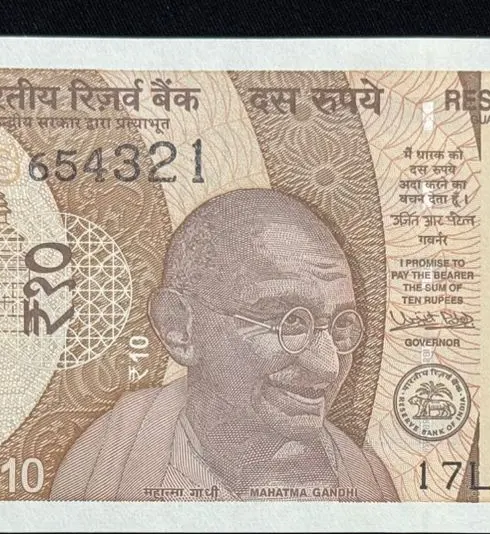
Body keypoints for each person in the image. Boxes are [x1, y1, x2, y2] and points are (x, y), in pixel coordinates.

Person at [49, 189, 398, 501]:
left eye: (340, 326)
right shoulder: (99, 467)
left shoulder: (364, 479)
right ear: (180, 328)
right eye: (288, 321)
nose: (328, 366)